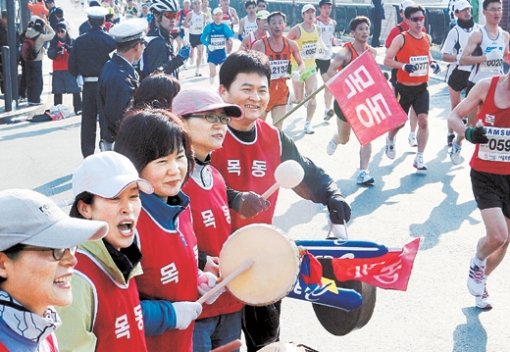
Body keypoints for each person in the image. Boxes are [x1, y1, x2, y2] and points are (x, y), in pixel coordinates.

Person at [213, 50, 351, 352]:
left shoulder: (274, 138)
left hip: (263, 263)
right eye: (246, 89)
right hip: (213, 267)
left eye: (262, 90)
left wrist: (332, 195)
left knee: (267, 346)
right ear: (223, 91)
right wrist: (233, 198)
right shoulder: (209, 134)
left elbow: (310, 175)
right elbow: (186, 187)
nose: (256, 97)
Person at [173, 88, 263, 352]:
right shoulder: (170, 181)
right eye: (209, 117)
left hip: (230, 304)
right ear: (179, 122)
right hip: (194, 310)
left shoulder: (217, 177)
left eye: (223, 119)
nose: (220, 125)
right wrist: (200, 260)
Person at [115, 109, 210, 351]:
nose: (174, 169)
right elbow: (118, 306)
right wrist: (171, 314)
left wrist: (198, 279)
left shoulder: (180, 205)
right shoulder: (128, 225)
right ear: (134, 165)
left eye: (179, 157)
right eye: (161, 161)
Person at [56, 151, 153, 351]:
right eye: (114, 198)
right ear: (85, 209)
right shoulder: (74, 277)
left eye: (134, 196)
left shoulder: (122, 256)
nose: (128, 208)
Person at [0, 189, 108, 351]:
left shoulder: (41, 325)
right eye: (55, 250)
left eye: (70, 247)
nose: (72, 259)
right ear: (2, 264)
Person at [448, 73, 510, 310]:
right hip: (485, 174)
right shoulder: (487, 86)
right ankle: (478, 261)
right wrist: (469, 133)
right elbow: (454, 116)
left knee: (505, 243)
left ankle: (481, 279)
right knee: (498, 236)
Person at [383, 5, 440, 171]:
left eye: (421, 18)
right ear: (406, 20)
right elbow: (387, 60)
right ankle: (391, 138)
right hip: (403, 88)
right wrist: (404, 66)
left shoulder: (426, 38)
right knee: (400, 122)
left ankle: (419, 157)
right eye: (415, 19)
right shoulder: (401, 38)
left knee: (423, 122)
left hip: (421, 88)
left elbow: (426, 54)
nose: (418, 22)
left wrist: (433, 63)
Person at [325, 16, 377, 186]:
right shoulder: (345, 52)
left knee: (366, 136)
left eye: (366, 29)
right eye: (360, 29)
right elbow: (330, 71)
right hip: (344, 103)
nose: (364, 32)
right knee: (344, 138)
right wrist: (346, 83)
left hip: (363, 102)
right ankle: (335, 138)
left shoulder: (372, 52)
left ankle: (363, 172)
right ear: (353, 33)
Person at [457, 0, 509, 163]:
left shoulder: (506, 36)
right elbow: (463, 60)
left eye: (499, 9)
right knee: (474, 125)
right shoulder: (478, 34)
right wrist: (485, 58)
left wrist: (505, 58)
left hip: (497, 86)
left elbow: (506, 55)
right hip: (478, 85)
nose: (497, 13)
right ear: (484, 12)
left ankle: (492, 162)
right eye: (493, 9)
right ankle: (457, 141)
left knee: (495, 127)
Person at [69, 6, 116, 158]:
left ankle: (88, 155)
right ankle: (107, 151)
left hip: (88, 84)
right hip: (106, 85)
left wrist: (79, 75)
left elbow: (72, 66)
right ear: (104, 21)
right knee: (106, 120)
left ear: (89, 21)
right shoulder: (110, 40)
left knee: (88, 121)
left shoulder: (80, 41)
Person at [97, 18, 147, 151]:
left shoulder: (115, 66)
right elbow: (120, 118)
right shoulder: (120, 76)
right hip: (122, 144)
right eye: (143, 44)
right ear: (137, 46)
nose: (144, 48)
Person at [252, 11, 304, 130]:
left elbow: (301, 64)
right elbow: (249, 68)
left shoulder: (291, 44)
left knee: (277, 129)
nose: (277, 26)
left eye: (280, 22)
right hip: (262, 93)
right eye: (273, 23)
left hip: (281, 92)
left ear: (285, 25)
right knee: (258, 129)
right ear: (268, 26)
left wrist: (298, 72)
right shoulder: (260, 45)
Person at [441, 0, 478, 163]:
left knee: (471, 108)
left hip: (473, 74)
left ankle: (461, 136)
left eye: (468, 10)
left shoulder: (478, 30)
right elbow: (444, 55)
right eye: (463, 10)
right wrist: (460, 58)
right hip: (456, 73)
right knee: (455, 107)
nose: (467, 13)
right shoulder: (454, 32)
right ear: (456, 14)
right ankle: (450, 134)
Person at [384, 0, 421, 148]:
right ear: (401, 14)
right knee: (398, 103)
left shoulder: (420, 29)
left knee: (416, 105)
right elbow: (388, 50)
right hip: (399, 71)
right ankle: (393, 134)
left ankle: (413, 134)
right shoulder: (396, 31)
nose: (411, 17)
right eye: (407, 13)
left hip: (417, 72)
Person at [287, 4, 321, 134]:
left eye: (312, 12)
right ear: (303, 15)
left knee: (312, 94)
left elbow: (319, 43)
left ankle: (308, 123)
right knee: (300, 99)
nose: (311, 14)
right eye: (308, 12)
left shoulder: (318, 29)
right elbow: (284, 43)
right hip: (298, 68)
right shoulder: (297, 30)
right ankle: (292, 98)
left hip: (311, 67)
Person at [142, 0, 190, 79]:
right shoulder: (156, 42)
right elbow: (156, 76)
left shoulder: (164, 36)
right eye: (168, 15)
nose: (173, 19)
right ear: (156, 15)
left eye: (175, 15)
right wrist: (179, 59)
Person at [47, 22, 82, 115]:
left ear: (66, 31)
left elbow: (76, 54)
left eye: (62, 31)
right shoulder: (53, 42)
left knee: (75, 90)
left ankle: (78, 108)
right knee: (57, 91)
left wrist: (68, 47)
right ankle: (58, 109)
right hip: (58, 69)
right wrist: (56, 50)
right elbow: (50, 55)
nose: (60, 34)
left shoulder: (72, 41)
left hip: (69, 68)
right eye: (58, 32)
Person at [24, 16, 54, 105]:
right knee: (38, 81)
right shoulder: (40, 36)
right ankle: (36, 100)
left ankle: (30, 98)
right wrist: (46, 24)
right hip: (37, 60)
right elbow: (52, 34)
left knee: (30, 80)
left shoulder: (27, 33)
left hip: (28, 60)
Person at [315, 0, 337, 121]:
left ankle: (327, 110)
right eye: (324, 7)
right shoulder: (315, 22)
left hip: (326, 58)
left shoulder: (333, 23)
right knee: (309, 89)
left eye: (329, 8)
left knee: (328, 85)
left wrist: (334, 40)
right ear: (320, 8)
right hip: (313, 58)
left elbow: (330, 36)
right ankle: (296, 98)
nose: (327, 10)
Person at [201, 8, 234, 85]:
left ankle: (221, 87)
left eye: (219, 14)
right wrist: (208, 45)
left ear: (222, 16)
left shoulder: (225, 27)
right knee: (213, 73)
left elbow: (230, 38)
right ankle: (211, 85)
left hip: (222, 52)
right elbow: (202, 39)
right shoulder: (209, 27)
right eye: (216, 15)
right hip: (212, 53)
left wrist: (229, 41)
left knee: (223, 72)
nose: (218, 17)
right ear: (212, 16)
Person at [184, 0, 206, 77]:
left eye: (198, 3)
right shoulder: (190, 14)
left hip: (199, 36)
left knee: (200, 53)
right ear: (193, 5)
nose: (197, 5)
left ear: (201, 4)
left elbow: (204, 25)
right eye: (195, 4)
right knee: (190, 53)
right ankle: (187, 61)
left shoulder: (203, 15)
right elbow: (184, 23)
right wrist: (189, 25)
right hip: (191, 35)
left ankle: (197, 70)